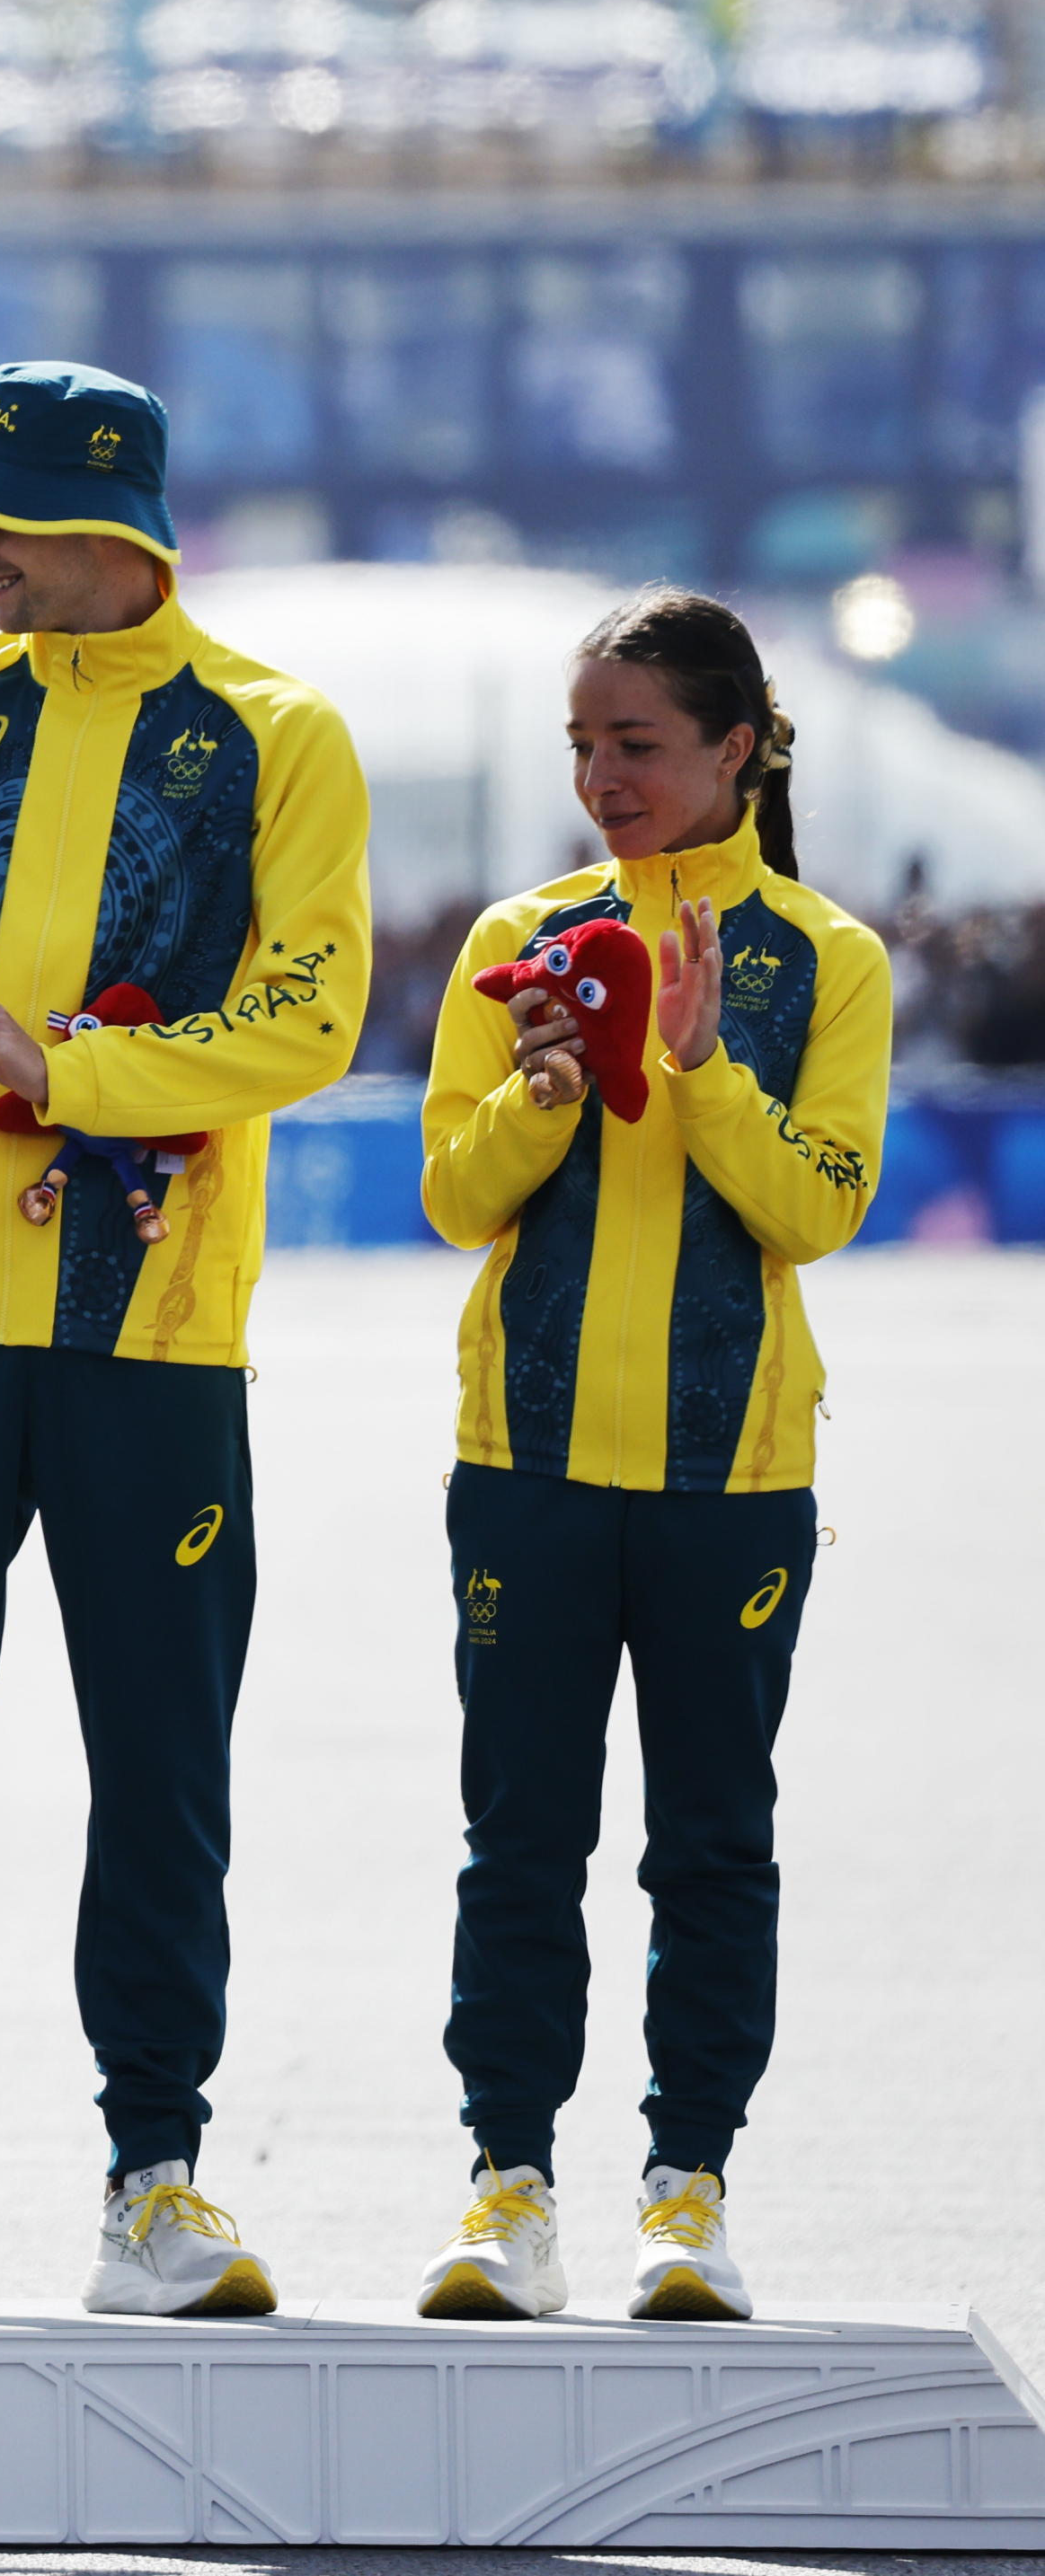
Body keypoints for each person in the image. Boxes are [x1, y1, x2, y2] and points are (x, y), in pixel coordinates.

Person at [0, 364, 370, 2318]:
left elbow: (309, 1014)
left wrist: (69, 1070)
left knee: (160, 1766)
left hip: (158, 1338)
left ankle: (157, 2178)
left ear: (107, 527)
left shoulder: (277, 737)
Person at [404, 591, 883, 2325]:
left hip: (732, 1477)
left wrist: (694, 1073)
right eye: (583, 747)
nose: (603, 778)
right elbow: (454, 1196)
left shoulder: (827, 957)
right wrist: (546, 1085)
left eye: (640, 745)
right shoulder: (516, 938)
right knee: (518, 1838)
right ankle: (507, 2189)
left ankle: (688, 2195)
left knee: (713, 1846)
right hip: (522, 1465)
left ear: (737, 750)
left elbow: (819, 1211)